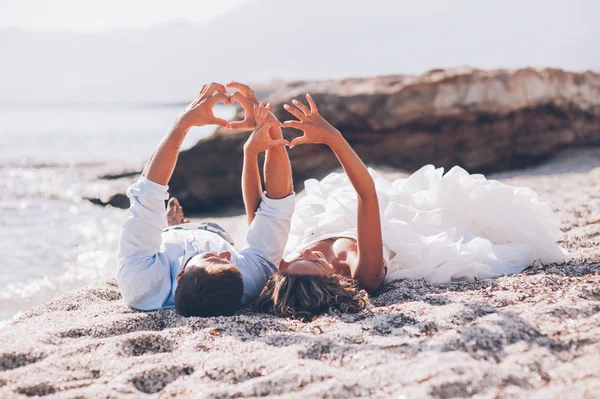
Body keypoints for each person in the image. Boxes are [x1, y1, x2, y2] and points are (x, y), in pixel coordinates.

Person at [256, 94, 570, 321]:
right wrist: (334, 139)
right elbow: (367, 197)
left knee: (278, 203)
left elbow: (263, 213)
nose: (309, 253)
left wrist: (255, 143)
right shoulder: (364, 275)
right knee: (463, 201)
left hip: (331, 210)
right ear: (330, 282)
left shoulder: (287, 267)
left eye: (298, 258)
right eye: (315, 262)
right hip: (392, 222)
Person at [117, 82, 294, 317]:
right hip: (214, 232)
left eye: (214, 257)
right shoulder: (249, 281)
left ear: (180, 275)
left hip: (160, 250)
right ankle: (180, 227)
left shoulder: (141, 283)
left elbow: (149, 189)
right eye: (230, 263)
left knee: (150, 218)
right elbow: (276, 208)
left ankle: (175, 228)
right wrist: (271, 128)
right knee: (240, 241)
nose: (227, 255)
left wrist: (183, 123)